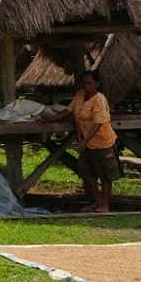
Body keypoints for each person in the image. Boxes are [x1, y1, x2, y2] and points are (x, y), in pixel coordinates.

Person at [42, 70, 119, 212]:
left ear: (97, 84)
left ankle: (105, 204)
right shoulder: (80, 95)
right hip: (86, 141)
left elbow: (98, 123)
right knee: (86, 172)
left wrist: (84, 141)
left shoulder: (99, 99)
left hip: (102, 141)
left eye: (89, 83)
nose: (86, 86)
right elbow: (68, 110)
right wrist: (48, 120)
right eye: (84, 83)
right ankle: (98, 200)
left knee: (105, 175)